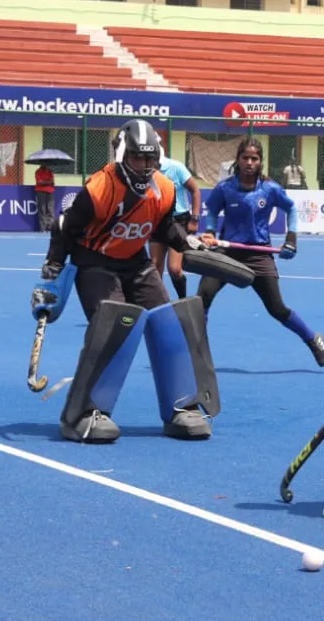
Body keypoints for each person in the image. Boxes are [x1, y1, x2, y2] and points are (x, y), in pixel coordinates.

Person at [41, 119, 216, 443]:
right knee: (114, 327)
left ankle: (181, 408)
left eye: (151, 159)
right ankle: (82, 414)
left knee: (170, 324)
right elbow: (64, 226)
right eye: (138, 158)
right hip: (95, 261)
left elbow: (164, 229)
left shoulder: (163, 188)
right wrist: (53, 266)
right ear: (123, 156)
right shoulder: (100, 188)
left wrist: (188, 242)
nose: (145, 165)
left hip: (136, 262)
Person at [198, 137, 324, 367]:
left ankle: (312, 339)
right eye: (245, 157)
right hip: (227, 252)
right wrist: (209, 231)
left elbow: (290, 208)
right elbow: (212, 210)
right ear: (238, 160)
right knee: (203, 297)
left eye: (254, 158)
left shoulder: (270, 189)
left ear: (260, 162)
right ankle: (197, 353)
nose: (249, 162)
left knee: (277, 309)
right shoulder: (225, 188)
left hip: (259, 255)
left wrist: (291, 239)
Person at [150, 132, 201, 300]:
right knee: (154, 269)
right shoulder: (144, 170)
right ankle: (157, 305)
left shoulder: (175, 167)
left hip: (178, 221)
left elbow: (195, 190)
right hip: (157, 222)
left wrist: (194, 219)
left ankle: (182, 300)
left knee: (174, 269)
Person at [33, 160, 56, 233]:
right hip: (40, 191)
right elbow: (39, 182)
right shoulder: (38, 171)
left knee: (50, 210)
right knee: (42, 210)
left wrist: (45, 182)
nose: (46, 164)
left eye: (47, 163)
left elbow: (52, 182)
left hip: (50, 191)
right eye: (44, 163)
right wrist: (48, 182)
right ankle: (42, 229)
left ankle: (50, 228)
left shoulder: (50, 172)